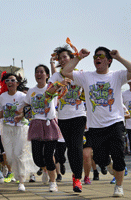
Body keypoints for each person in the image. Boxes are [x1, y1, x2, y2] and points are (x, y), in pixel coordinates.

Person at [62, 46, 131, 197]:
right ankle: (108, 164)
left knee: (119, 156)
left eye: (101, 56)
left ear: (109, 60)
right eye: (95, 56)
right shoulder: (87, 76)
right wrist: (78, 57)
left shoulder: (117, 75)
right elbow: (65, 72)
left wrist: (119, 57)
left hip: (115, 122)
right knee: (99, 159)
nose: (97, 58)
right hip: (95, 126)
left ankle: (119, 186)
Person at [15, 64, 62, 192]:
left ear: (47, 75)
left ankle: (53, 183)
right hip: (35, 124)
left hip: (49, 124)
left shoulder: (51, 88)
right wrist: (20, 114)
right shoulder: (31, 91)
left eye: (42, 72)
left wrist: (53, 64)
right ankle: (45, 169)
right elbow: (26, 105)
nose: (39, 74)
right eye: (37, 72)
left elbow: (57, 78)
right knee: (37, 160)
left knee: (48, 155)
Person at [47, 45, 87, 192]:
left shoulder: (80, 74)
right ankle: (75, 176)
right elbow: (47, 93)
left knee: (77, 148)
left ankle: (77, 179)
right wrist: (58, 85)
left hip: (79, 116)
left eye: (66, 57)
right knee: (70, 149)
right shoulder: (56, 76)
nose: (63, 59)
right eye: (60, 58)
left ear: (71, 58)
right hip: (63, 118)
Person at [0, 73, 33, 191]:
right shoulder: (2, 97)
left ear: (17, 83)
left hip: (20, 128)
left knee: (19, 154)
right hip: (6, 129)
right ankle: (16, 172)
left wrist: (21, 114)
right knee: (10, 157)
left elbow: (28, 110)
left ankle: (21, 181)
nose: (10, 82)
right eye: (7, 80)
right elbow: (0, 113)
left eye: (12, 80)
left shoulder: (23, 96)